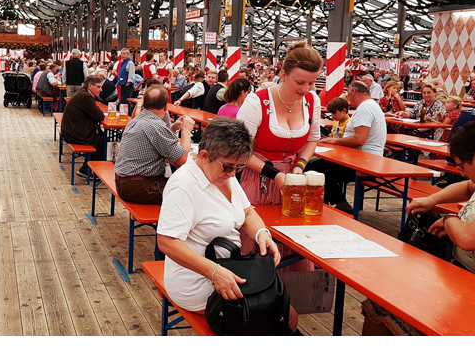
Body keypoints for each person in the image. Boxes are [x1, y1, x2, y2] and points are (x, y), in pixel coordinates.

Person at [156, 117, 296, 329]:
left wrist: (262, 234)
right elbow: (166, 242)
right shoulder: (183, 186)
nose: (232, 174)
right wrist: (214, 272)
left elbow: (247, 212)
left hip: (228, 268)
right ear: (204, 156)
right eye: (228, 167)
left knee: (283, 309)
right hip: (196, 280)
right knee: (280, 315)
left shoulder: (223, 175)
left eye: (239, 168)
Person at [361, 121, 475, 335]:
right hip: (459, 274)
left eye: (462, 167)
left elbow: (467, 238)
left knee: (395, 307)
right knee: (382, 299)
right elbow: (468, 187)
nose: (463, 174)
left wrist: (450, 219)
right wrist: (432, 200)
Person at [235, 41, 322, 271]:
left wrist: (298, 168)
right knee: (258, 243)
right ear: (283, 74)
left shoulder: (313, 101)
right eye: (300, 82)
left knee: (295, 244)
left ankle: (293, 298)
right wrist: (275, 175)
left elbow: (312, 139)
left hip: (294, 181)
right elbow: (239, 150)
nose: (306, 89)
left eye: (312, 83)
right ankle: (259, 296)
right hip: (259, 179)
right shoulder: (257, 102)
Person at [309, 81, 386, 212]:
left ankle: (336, 203)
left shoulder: (365, 107)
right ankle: (335, 202)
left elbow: (359, 139)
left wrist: (333, 141)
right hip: (365, 160)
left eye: (348, 95)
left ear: (353, 92)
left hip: (364, 163)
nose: (348, 100)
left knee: (316, 167)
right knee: (321, 166)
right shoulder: (371, 105)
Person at [114, 85, 195, 204]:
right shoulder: (156, 125)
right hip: (139, 188)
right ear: (166, 106)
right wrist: (186, 131)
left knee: (184, 186)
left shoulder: (136, 120)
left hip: (124, 183)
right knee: (192, 191)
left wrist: (173, 128)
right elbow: (183, 161)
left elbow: (160, 144)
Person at [60, 75, 106, 178]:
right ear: (90, 86)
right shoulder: (86, 96)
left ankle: (86, 167)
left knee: (101, 137)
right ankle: (89, 170)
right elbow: (100, 116)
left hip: (72, 130)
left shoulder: (83, 93)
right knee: (103, 142)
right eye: (98, 87)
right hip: (74, 134)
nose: (101, 90)